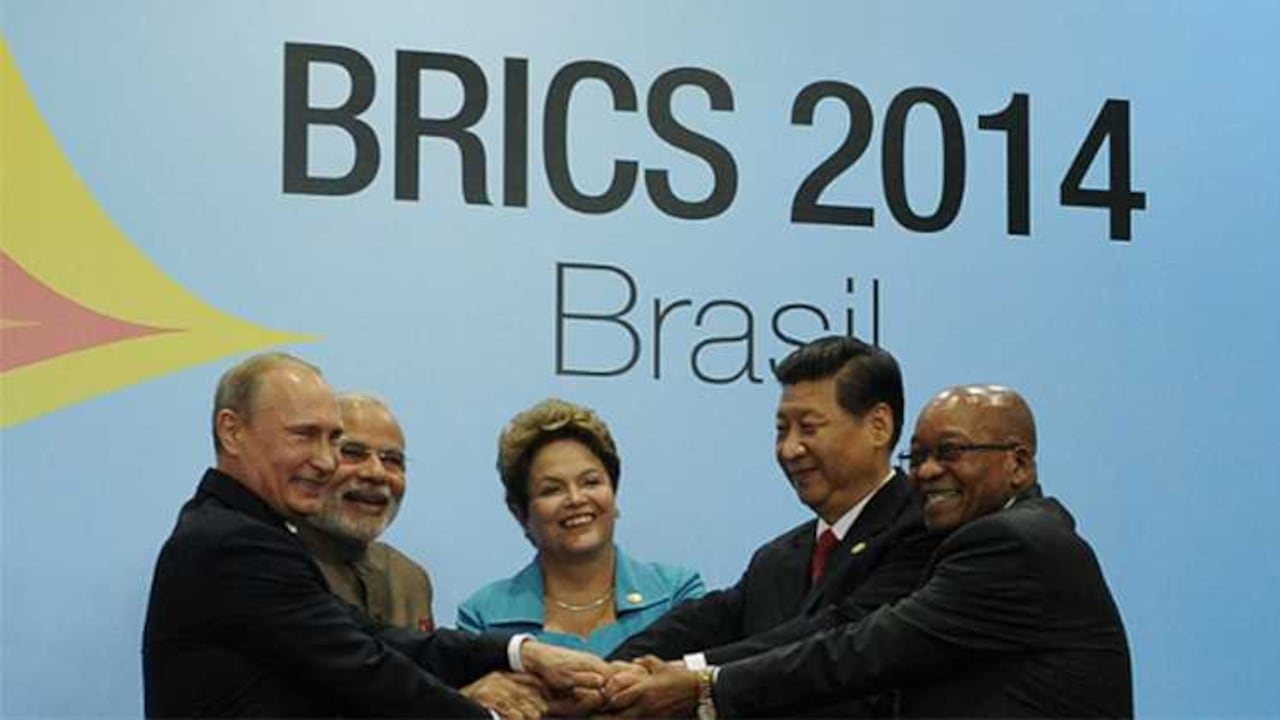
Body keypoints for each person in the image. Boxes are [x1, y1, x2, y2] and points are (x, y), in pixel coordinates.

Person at [607, 385, 1133, 718]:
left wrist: (704, 686)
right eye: (919, 456)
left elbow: (862, 648)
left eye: (950, 453)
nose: (926, 472)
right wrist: (604, 674)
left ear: (1018, 463)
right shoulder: (992, 541)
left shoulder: (1013, 545)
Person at [142, 353, 608, 718]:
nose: (324, 460)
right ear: (232, 431)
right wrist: (487, 715)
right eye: (304, 435)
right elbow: (365, 669)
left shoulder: (248, 532)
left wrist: (520, 653)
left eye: (330, 439)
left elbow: (377, 639)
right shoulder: (235, 543)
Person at [609, 335, 939, 705]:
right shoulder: (778, 557)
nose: (789, 449)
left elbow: (835, 635)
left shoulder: (925, 530)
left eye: (809, 427)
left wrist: (692, 677)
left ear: (878, 425)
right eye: (782, 429)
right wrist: (609, 673)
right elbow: (706, 620)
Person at [458, 398, 706, 656]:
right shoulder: (483, 617)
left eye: (590, 482)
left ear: (613, 493)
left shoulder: (676, 594)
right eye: (552, 490)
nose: (576, 499)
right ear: (520, 513)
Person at [297, 393, 435, 631]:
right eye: (352, 453)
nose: (376, 472)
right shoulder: (268, 565)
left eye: (392, 460)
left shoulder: (409, 580)